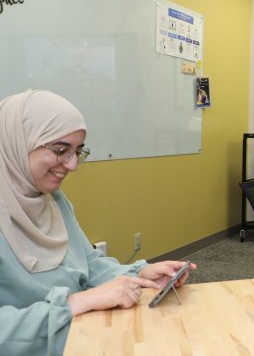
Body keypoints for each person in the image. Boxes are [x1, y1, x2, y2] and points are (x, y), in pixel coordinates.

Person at [0, 89, 196, 355]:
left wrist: (139, 274)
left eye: (78, 151)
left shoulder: (53, 200)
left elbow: (89, 263)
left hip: (83, 333)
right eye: (61, 150)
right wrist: (73, 304)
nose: (72, 165)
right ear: (17, 143)